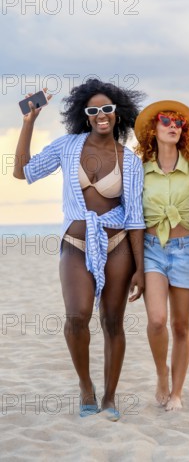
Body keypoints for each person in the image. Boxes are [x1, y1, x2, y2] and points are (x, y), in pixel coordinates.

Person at [13, 79, 146, 421]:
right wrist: (29, 123)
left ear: (118, 113)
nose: (101, 115)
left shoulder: (129, 161)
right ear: (84, 116)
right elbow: (21, 171)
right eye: (93, 110)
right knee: (77, 316)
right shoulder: (68, 146)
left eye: (107, 109)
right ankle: (86, 387)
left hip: (118, 246)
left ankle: (110, 396)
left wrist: (141, 270)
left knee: (113, 321)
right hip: (75, 243)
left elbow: (134, 219)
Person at [134, 100, 189, 411]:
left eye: (178, 123)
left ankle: (176, 392)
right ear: (154, 129)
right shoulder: (139, 172)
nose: (172, 126)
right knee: (156, 320)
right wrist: (136, 267)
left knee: (180, 326)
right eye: (166, 120)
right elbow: (132, 220)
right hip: (152, 250)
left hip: (186, 250)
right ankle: (161, 374)